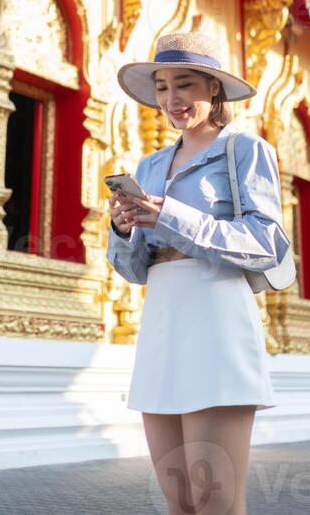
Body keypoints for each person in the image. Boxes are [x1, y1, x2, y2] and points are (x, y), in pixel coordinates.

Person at [106, 32, 290, 515]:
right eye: (163, 87)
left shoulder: (244, 151)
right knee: (178, 495)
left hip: (216, 313)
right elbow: (134, 270)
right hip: (163, 316)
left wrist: (171, 216)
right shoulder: (149, 166)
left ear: (213, 88)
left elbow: (267, 242)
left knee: (215, 495)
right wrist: (123, 228)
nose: (172, 99)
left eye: (184, 84)